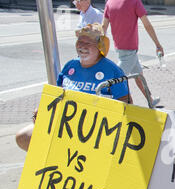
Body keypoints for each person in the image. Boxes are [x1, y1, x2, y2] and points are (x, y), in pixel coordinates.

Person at [16, 23, 130, 152]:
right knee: (23, 137)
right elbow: (56, 94)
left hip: (95, 130)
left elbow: (126, 104)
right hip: (65, 123)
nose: (82, 46)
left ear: (100, 46)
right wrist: (42, 109)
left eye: (88, 43)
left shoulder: (113, 71)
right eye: (80, 41)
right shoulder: (70, 66)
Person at [102, 0, 163, 106]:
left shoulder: (110, 3)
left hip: (121, 48)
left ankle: (151, 100)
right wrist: (158, 44)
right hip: (129, 49)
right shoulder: (134, 2)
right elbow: (147, 25)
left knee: (139, 75)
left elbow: (104, 27)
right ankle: (106, 102)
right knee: (116, 79)